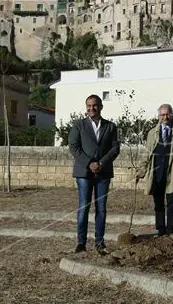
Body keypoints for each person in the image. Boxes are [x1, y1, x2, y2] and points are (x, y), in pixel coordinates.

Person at [68, 94, 121, 253]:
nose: (92, 108)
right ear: (86, 107)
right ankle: (81, 243)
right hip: (84, 172)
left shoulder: (111, 126)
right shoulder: (79, 125)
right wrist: (89, 163)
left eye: (95, 105)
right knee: (84, 206)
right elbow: (74, 146)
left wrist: (101, 163)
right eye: (89, 106)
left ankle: (100, 242)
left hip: (103, 173)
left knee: (101, 208)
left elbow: (115, 148)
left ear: (101, 106)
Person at [135, 104, 173, 236]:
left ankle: (171, 230)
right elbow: (147, 153)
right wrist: (141, 170)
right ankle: (161, 229)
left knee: (171, 203)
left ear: (172, 114)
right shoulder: (152, 133)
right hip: (157, 171)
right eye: (162, 115)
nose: (165, 117)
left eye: (167, 114)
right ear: (158, 116)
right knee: (158, 203)